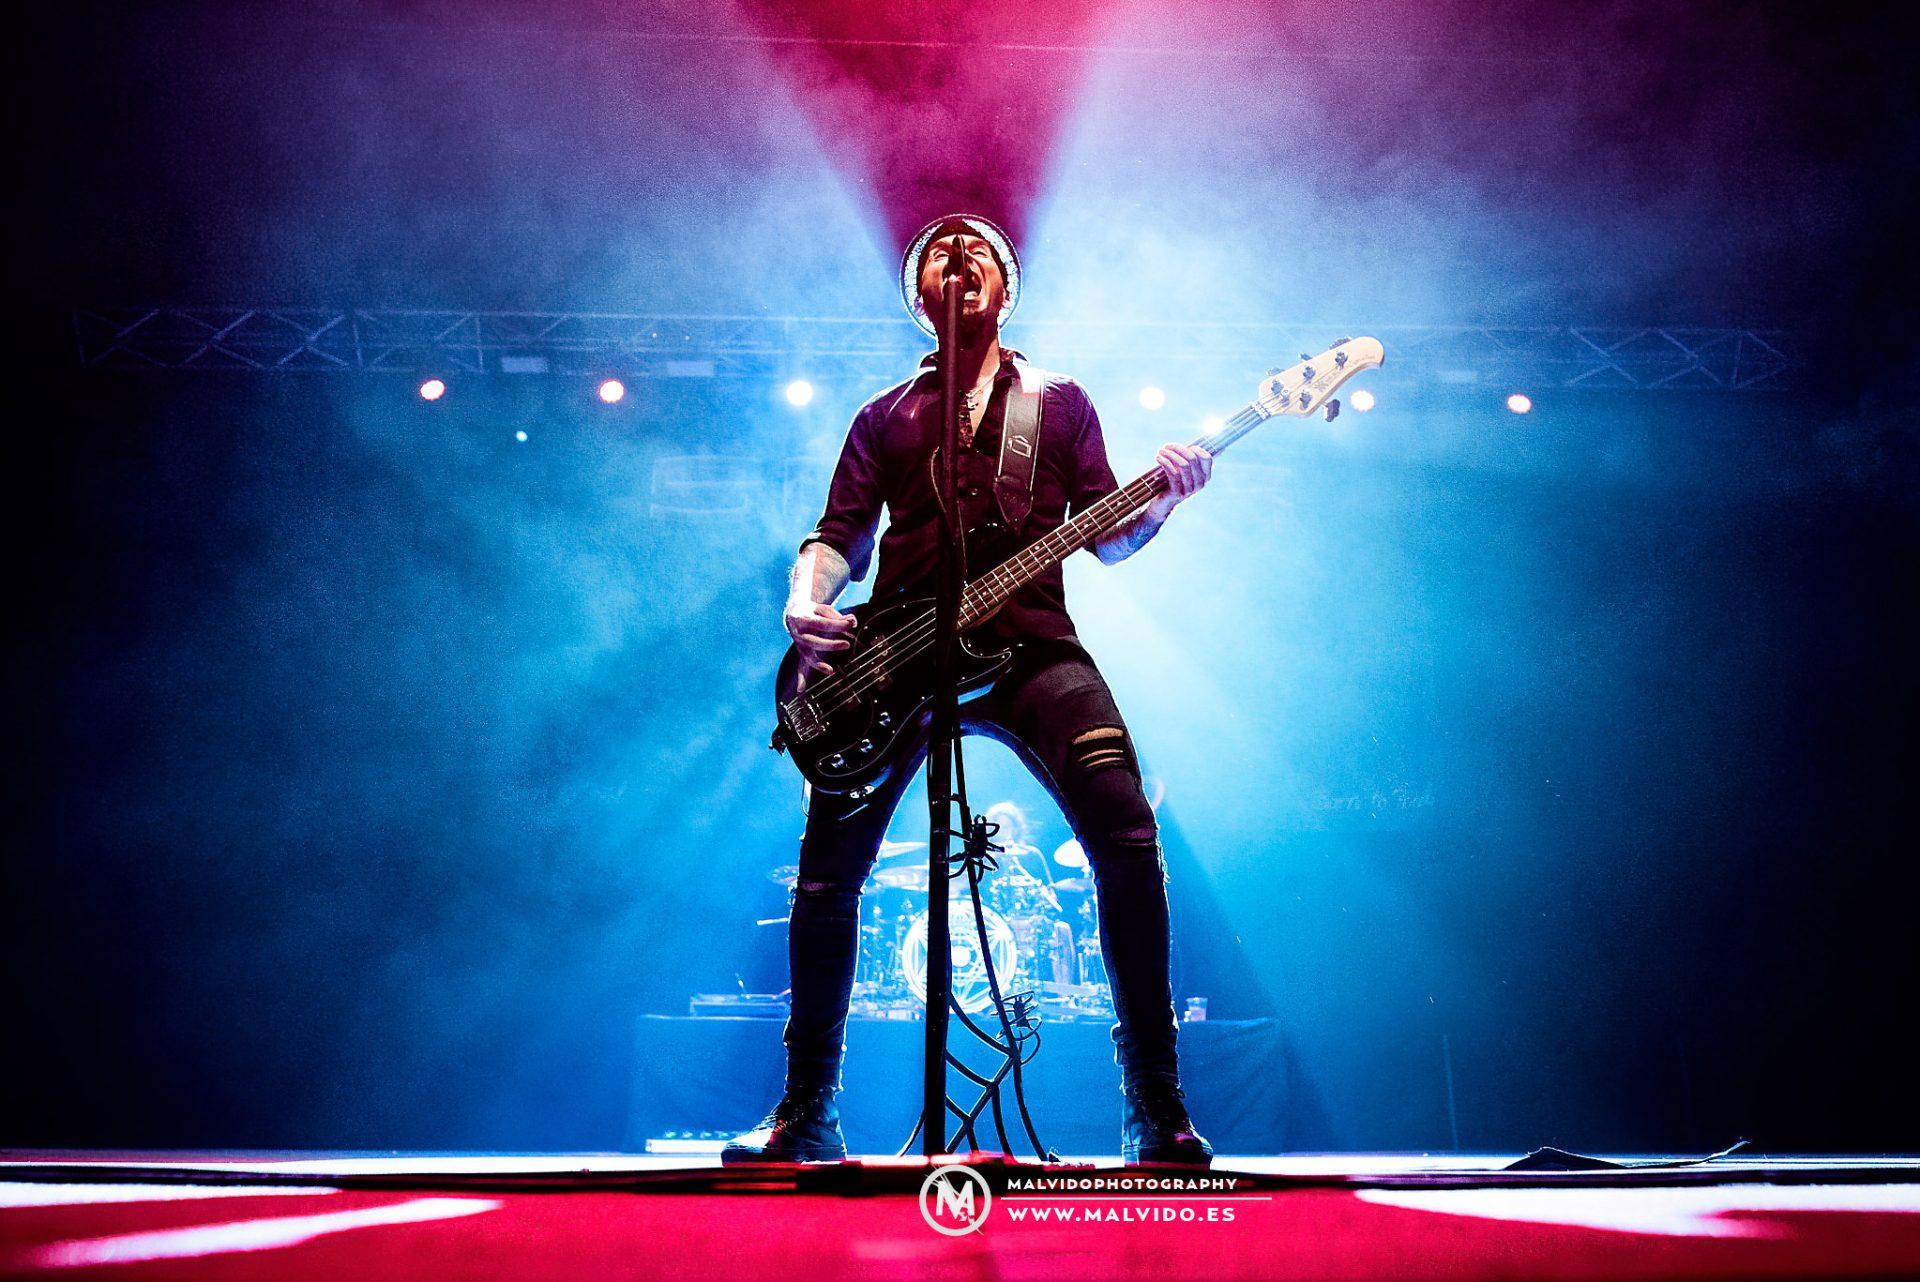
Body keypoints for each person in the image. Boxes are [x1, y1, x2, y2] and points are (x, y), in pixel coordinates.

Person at [724, 214, 1214, 1166]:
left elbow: (1109, 536)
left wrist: (1163, 499)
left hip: (1033, 645)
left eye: (980, 251)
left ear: (1006, 288)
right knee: (828, 870)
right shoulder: (884, 415)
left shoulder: (1059, 403)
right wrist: (801, 599)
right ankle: (804, 1112)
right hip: (893, 656)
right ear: (920, 298)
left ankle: (1155, 1107)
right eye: (940, 255)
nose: (961, 259)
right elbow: (839, 535)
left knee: (1127, 832)